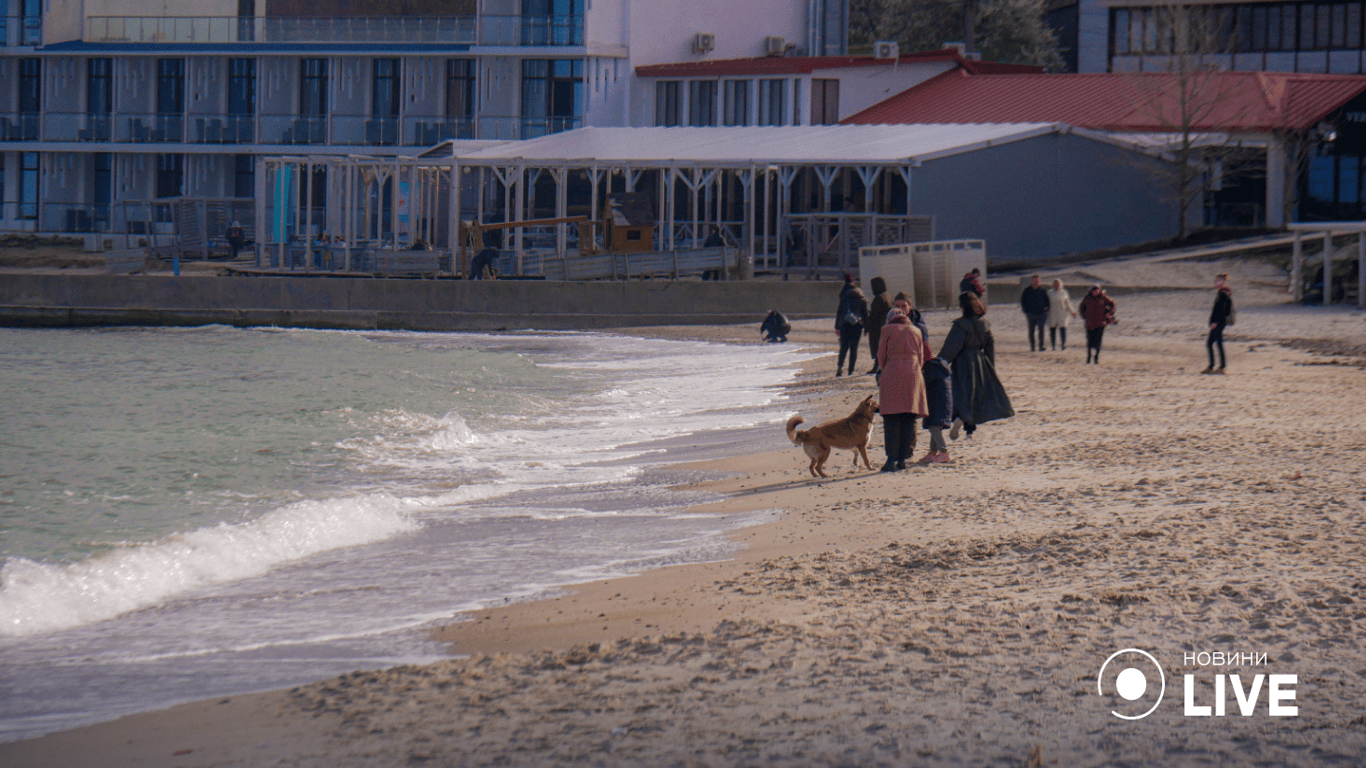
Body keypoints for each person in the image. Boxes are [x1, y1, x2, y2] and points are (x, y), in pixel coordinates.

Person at [938, 292, 1014, 442]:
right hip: (980, 363)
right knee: (976, 396)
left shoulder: (960, 325)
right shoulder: (984, 324)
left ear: (962, 307)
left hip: (963, 363)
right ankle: (969, 432)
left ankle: (959, 417)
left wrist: (940, 362)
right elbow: (990, 346)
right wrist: (990, 366)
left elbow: (952, 348)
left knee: (961, 394)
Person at [876, 308, 932, 471]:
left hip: (893, 371)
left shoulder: (886, 330)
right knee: (909, 416)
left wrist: (887, 368)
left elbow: (881, 355)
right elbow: (921, 356)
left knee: (892, 417)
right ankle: (903, 458)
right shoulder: (916, 330)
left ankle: (891, 459)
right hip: (913, 373)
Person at [835, 282, 867, 377]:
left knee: (843, 348)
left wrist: (837, 327)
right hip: (857, 326)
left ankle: (840, 367)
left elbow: (840, 312)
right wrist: (866, 328)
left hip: (845, 324)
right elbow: (865, 315)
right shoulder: (862, 299)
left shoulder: (844, 298)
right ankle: (850, 370)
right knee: (854, 348)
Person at [1078, 284, 1116, 364]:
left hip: (1100, 324)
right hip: (1089, 323)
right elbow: (1081, 308)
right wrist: (1084, 316)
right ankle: (1088, 357)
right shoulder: (1087, 298)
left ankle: (1096, 358)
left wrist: (1109, 313)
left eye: (1096, 290)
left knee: (1098, 341)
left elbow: (1112, 305)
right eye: (1093, 291)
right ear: (1091, 291)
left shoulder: (1103, 298)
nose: (1095, 292)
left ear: (1099, 290)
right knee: (1089, 341)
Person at [1204, 273, 1234, 374]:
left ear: (1222, 282)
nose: (1215, 283)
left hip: (1218, 323)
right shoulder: (1222, 293)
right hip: (1218, 323)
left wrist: (1215, 322)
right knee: (1212, 343)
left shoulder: (1223, 294)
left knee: (1215, 344)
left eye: (1217, 281)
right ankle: (1214, 366)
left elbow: (1222, 311)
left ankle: (1220, 367)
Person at [865, 277, 893, 374]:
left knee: (877, 347)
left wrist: (867, 316)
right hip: (885, 325)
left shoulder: (878, 299)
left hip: (877, 327)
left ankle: (877, 366)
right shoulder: (887, 296)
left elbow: (874, 315)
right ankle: (879, 365)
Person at [1020, 274, 1051, 352]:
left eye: (1037, 281)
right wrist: (1026, 310)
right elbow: (1023, 301)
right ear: (1031, 281)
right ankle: (1032, 346)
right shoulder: (1027, 290)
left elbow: (1047, 301)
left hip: (1041, 314)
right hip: (1031, 314)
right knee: (1031, 330)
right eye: (1034, 281)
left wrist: (1047, 309)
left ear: (1039, 282)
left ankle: (1041, 346)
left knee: (1041, 330)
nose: (1036, 283)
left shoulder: (1043, 290)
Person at [1046, 278, 1077, 351]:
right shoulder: (1049, 293)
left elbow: (1068, 303)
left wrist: (1073, 311)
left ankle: (1063, 344)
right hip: (1052, 314)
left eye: (1058, 284)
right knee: (1052, 330)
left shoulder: (1064, 293)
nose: (1056, 285)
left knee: (1062, 329)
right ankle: (1053, 345)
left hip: (1062, 313)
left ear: (1060, 285)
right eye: (1055, 284)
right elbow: (1045, 303)